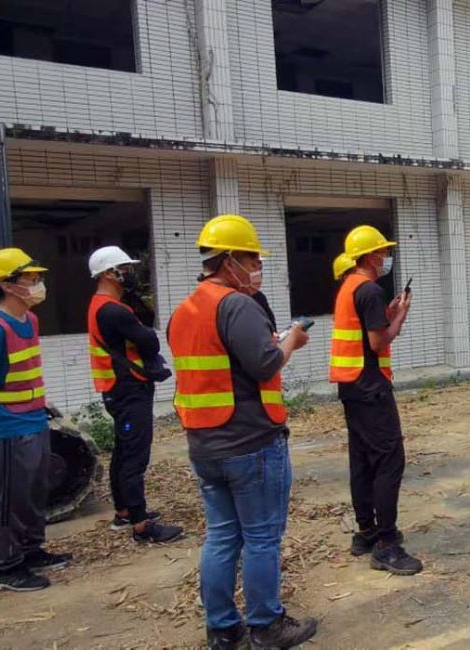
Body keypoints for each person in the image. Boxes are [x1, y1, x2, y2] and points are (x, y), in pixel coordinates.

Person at [167, 214, 317, 649]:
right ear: (229, 259)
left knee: (221, 536)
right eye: (252, 258)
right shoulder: (235, 304)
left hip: (205, 443)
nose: (256, 267)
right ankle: (266, 625)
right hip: (249, 443)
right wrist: (291, 340)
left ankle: (223, 627)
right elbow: (266, 363)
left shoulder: (185, 310)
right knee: (261, 536)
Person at [0, 248, 70, 592]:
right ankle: (8, 566)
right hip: (4, 426)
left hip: (31, 420)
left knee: (34, 491)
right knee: (8, 499)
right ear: (6, 285)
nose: (37, 284)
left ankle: (32, 549)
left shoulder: (29, 320)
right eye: (30, 279)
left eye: (36, 278)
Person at [331, 226, 422, 575]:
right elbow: (378, 341)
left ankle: (366, 531)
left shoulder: (350, 287)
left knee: (363, 460)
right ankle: (386, 543)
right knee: (389, 460)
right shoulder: (368, 289)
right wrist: (399, 315)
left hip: (352, 386)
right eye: (382, 253)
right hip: (370, 387)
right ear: (370, 256)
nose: (386, 258)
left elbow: (366, 327)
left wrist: (388, 310)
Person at [86, 245, 181, 544]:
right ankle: (140, 525)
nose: (128, 274)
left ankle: (125, 511)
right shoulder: (113, 310)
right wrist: (144, 333)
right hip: (128, 388)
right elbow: (148, 341)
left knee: (123, 451)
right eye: (123, 269)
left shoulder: (102, 305)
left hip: (118, 388)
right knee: (134, 456)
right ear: (107, 274)